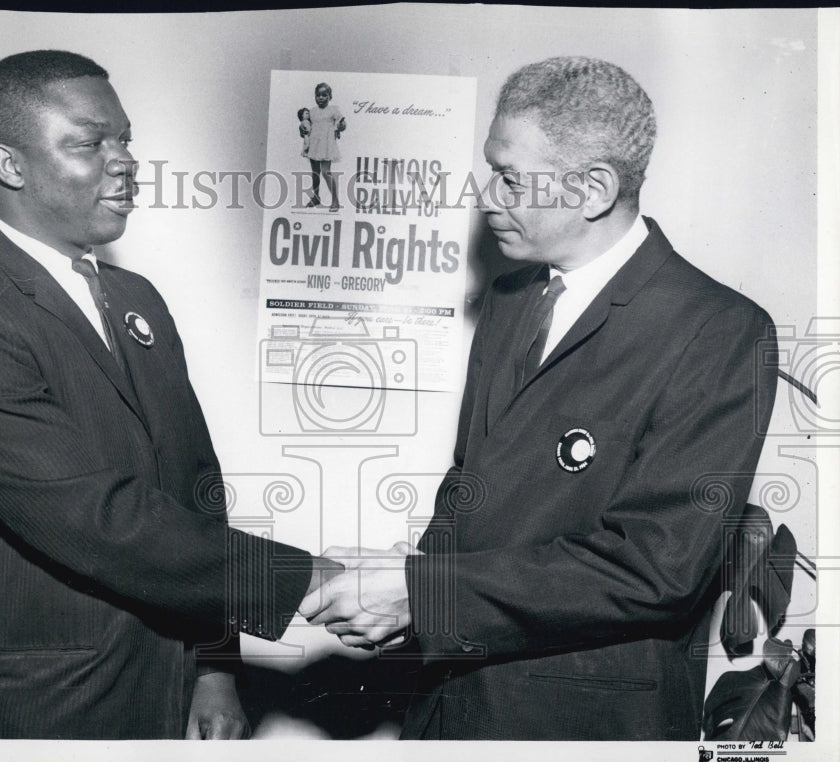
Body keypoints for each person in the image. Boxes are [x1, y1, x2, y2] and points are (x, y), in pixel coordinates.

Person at [301, 56, 778, 740]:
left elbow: (655, 568)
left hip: (582, 723)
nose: (486, 197)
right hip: (450, 704)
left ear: (593, 189)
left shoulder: (719, 330)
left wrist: (425, 596)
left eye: (510, 178)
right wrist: (406, 603)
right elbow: (469, 484)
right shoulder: (512, 300)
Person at [0, 50, 339, 740]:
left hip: (160, 691)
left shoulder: (137, 300)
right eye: (90, 142)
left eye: (125, 138)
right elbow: (94, 519)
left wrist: (213, 669)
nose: (124, 160)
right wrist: (307, 579)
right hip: (37, 710)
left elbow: (194, 487)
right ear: (11, 166)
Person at [302, 82, 345, 211]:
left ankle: (335, 201)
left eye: (324, 95)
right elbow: (306, 125)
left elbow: (342, 123)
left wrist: (341, 127)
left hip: (326, 145)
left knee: (326, 172)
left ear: (330, 97)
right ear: (315, 96)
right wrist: (302, 130)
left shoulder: (333, 110)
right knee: (315, 172)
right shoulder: (312, 111)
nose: (320, 98)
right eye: (318, 95)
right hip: (314, 144)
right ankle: (316, 197)